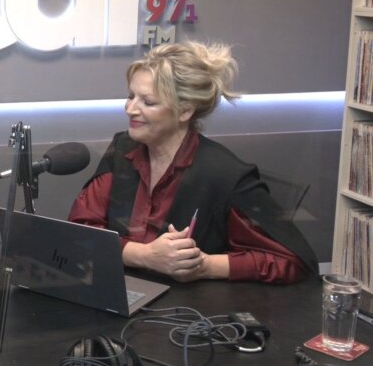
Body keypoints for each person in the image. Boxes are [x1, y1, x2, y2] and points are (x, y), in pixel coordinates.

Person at [68, 41, 317, 284]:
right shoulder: (123, 150)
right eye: (131, 96)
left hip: (187, 306)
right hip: (121, 291)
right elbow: (80, 234)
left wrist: (205, 266)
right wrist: (145, 255)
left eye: (148, 102)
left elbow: (294, 261)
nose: (130, 109)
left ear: (185, 110)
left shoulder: (224, 174)